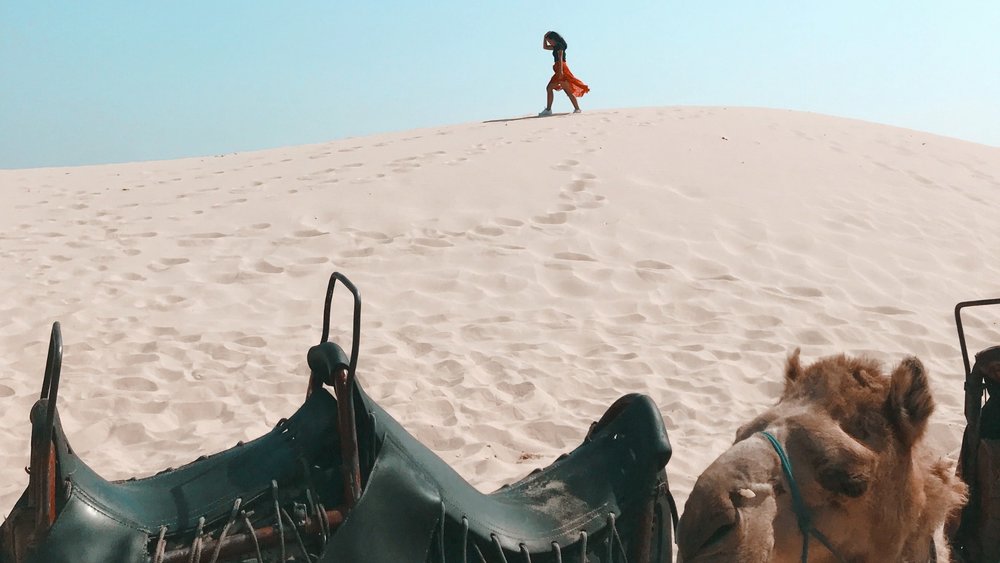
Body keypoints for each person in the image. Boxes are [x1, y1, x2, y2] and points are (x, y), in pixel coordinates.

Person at [539, 31, 589, 116]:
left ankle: (548, 110)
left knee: (551, 88)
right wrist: (544, 37)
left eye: (549, 40)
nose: (548, 42)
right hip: (559, 68)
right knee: (565, 90)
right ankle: (577, 109)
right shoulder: (555, 46)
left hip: (561, 67)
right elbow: (545, 47)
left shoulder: (559, 46)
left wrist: (561, 71)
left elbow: (560, 58)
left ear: (553, 39)